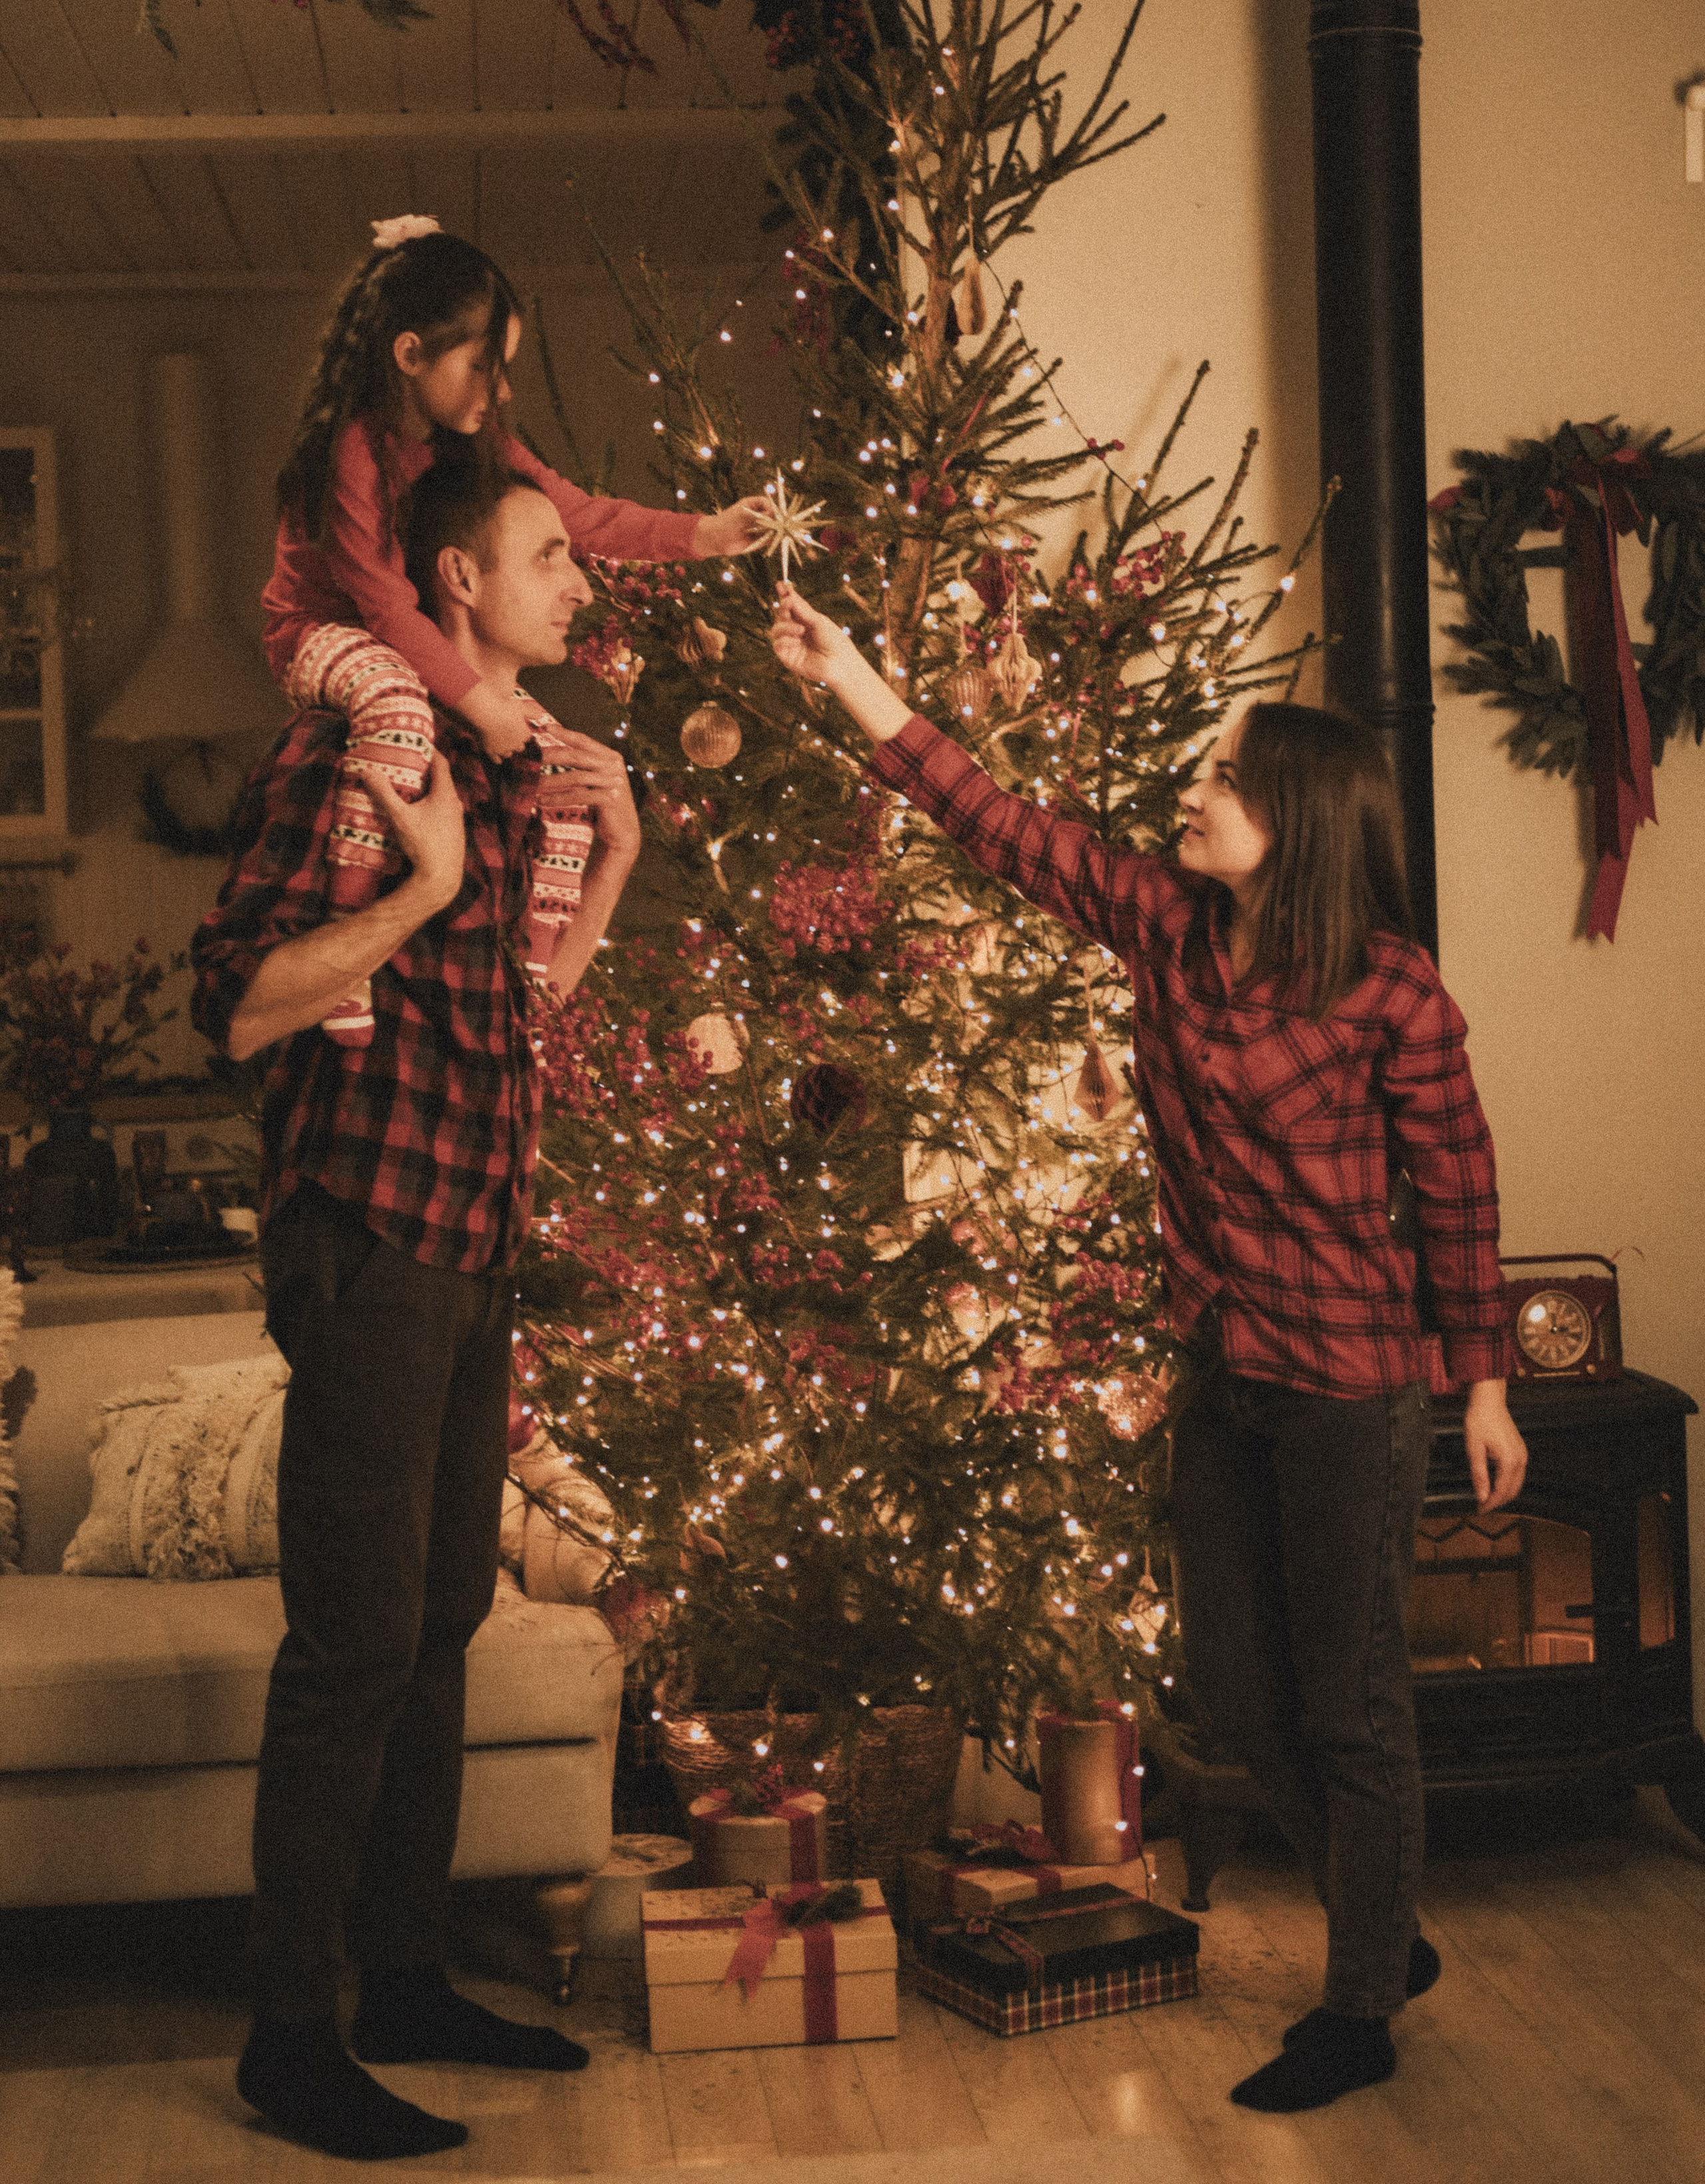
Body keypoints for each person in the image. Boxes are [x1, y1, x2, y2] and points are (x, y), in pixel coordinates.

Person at [769, 579, 1528, 2117]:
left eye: (1224, 782)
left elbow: (1455, 1189)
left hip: (1353, 1391)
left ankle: (1358, 2003)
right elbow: (995, 824)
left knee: (1351, 1706)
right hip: (1224, 1375)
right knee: (1237, 1698)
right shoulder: (1166, 926)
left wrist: (1485, 1385)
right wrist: (851, 677)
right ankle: (1379, 1923)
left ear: (1293, 824)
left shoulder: (1389, 989)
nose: (1193, 792)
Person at [192, 451, 639, 2163]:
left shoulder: (520, 770)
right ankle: (286, 2036)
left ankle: (401, 1976)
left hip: (471, 1238)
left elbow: (518, 1019)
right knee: (356, 1638)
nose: (578, 580)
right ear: (457, 577)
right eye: (549, 554)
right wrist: (419, 890)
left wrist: (611, 860)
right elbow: (238, 1003)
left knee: (444, 1610)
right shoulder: (357, 753)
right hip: (367, 1233)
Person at [263, 212, 765, 1048]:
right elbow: (385, 609)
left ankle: (531, 983)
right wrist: (483, 709)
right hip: (325, 633)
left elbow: (580, 515)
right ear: (410, 355)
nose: (498, 391)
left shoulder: (476, 441)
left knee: (559, 766)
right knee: (396, 705)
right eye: (482, 367)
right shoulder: (353, 452)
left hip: (409, 640)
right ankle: (347, 945)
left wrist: (704, 535)